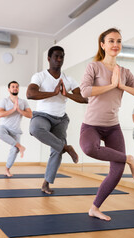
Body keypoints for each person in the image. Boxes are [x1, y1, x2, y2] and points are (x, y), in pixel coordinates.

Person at [79, 28, 134, 221]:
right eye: (111, 41)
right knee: (89, 148)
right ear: (103, 45)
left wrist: (122, 85)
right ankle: (130, 159)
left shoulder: (125, 72)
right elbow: (84, 92)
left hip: (112, 127)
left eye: (118, 41)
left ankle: (94, 208)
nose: (115, 44)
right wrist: (111, 85)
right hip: (91, 125)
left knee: (116, 172)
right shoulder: (93, 67)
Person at [26, 46, 87, 194]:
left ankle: (46, 184)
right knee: (35, 129)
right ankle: (66, 147)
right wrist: (53, 93)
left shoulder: (68, 79)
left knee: (56, 151)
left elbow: (84, 98)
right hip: (42, 116)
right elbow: (30, 93)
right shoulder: (39, 76)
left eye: (61, 57)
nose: (59, 60)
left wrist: (67, 94)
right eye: (56, 57)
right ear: (49, 59)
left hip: (60, 119)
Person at [0, 81, 32, 177]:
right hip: (4, 128)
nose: (15, 88)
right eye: (13, 87)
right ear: (9, 89)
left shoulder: (23, 102)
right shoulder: (4, 101)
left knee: (14, 151)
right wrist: (13, 109)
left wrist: (19, 110)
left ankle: (7, 169)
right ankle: (20, 146)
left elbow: (30, 115)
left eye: (16, 87)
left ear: (18, 89)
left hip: (16, 130)